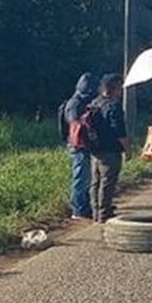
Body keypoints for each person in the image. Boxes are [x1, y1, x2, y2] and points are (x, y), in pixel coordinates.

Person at [89, 74, 128, 223]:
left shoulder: (95, 102)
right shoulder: (114, 105)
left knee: (96, 182)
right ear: (114, 87)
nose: (121, 90)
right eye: (120, 87)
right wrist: (127, 149)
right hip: (111, 150)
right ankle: (104, 213)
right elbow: (119, 131)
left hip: (95, 149)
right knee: (108, 182)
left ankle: (95, 211)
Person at [62, 72, 98, 220]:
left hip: (83, 145)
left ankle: (85, 206)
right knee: (81, 178)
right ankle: (78, 209)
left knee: (86, 178)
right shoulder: (74, 103)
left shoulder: (81, 102)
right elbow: (75, 124)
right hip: (78, 146)